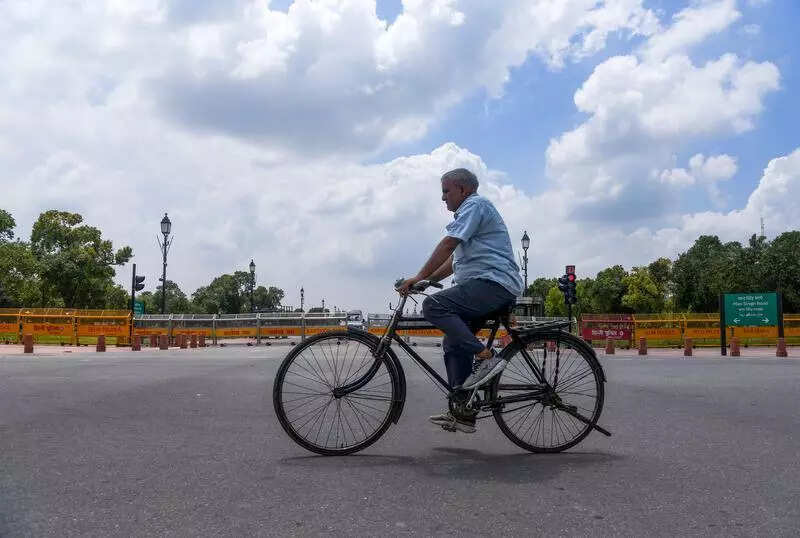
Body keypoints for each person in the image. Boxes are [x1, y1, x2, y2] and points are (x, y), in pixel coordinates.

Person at [396, 168, 523, 433]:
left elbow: (448, 245)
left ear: (462, 190)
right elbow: (454, 262)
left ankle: (485, 357)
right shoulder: (469, 213)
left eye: (446, 191)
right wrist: (426, 281)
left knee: (433, 305)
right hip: (483, 285)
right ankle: (463, 409)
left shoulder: (474, 205)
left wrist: (419, 274)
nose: (443, 198)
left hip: (494, 285)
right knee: (453, 341)